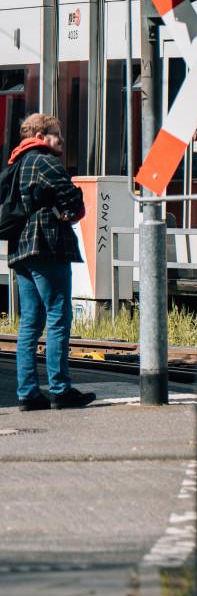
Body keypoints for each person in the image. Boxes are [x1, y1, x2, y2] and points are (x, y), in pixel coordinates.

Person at [7, 114, 92, 410]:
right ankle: (60, 389)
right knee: (58, 315)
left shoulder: (16, 164)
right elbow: (71, 196)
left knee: (30, 322)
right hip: (46, 244)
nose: (61, 139)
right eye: (56, 134)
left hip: (20, 249)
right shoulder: (44, 161)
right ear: (41, 136)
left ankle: (28, 393)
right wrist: (71, 209)